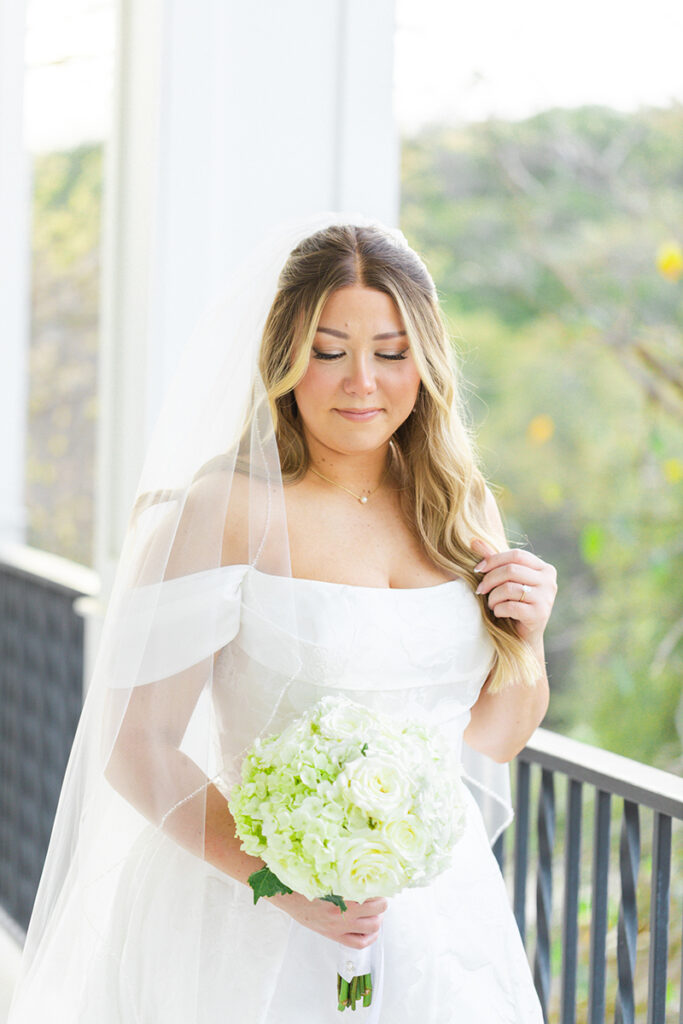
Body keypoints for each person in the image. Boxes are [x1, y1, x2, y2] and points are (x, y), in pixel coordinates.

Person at [8, 215, 556, 1023]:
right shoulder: (227, 509)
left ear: (426, 361)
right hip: (253, 917)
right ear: (286, 358)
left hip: (437, 920)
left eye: (390, 353)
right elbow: (138, 743)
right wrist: (280, 885)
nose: (361, 381)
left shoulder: (458, 503)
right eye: (329, 352)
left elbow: (493, 739)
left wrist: (527, 636)